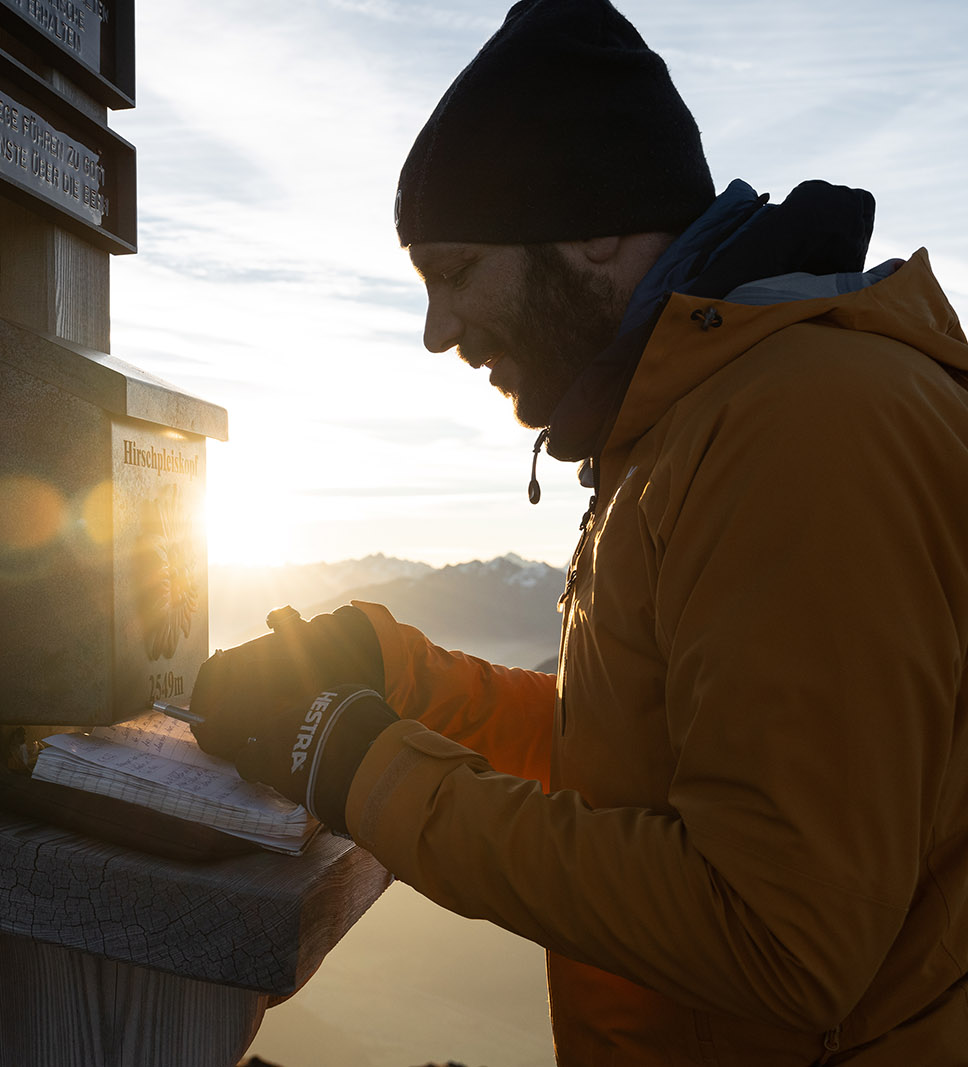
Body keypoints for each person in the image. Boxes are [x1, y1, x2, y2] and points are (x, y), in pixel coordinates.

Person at [187, 1, 968, 1063]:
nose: (436, 332)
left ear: (594, 229)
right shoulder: (693, 422)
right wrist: (404, 679)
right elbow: (639, 770)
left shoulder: (803, 423)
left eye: (455, 271)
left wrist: (351, 757)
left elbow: (779, 934)